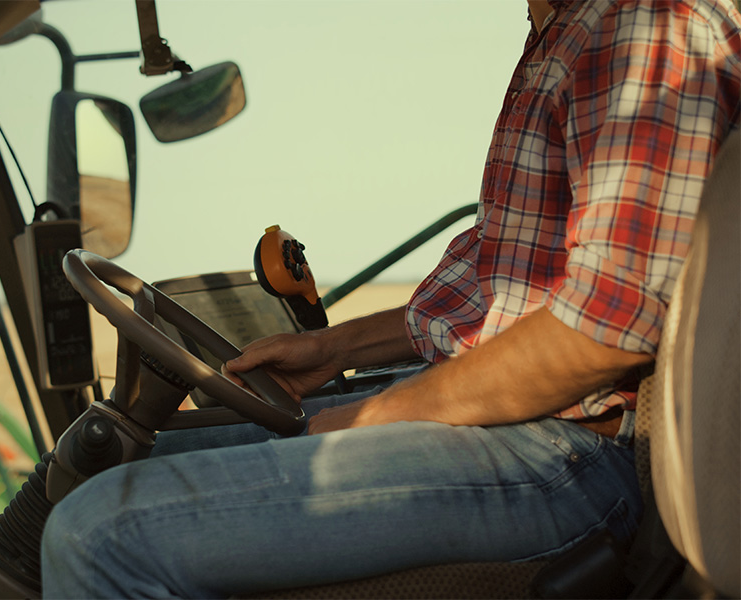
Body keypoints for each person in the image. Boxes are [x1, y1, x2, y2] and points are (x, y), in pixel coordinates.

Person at [42, 1, 741, 597]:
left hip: (568, 456)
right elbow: (504, 280)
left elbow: (604, 331)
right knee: (141, 457)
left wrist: (372, 414)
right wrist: (336, 346)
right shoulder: (565, 29)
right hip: (524, 427)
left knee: (98, 533)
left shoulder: (643, 25)